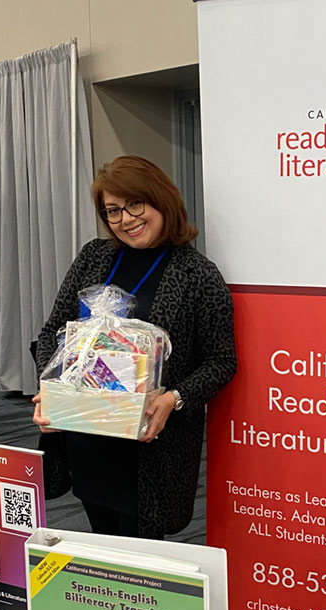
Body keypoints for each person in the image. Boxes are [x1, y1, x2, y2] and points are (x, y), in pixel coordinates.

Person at [32, 155, 237, 539]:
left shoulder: (198, 275)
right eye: (113, 210)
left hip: (150, 447)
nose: (126, 219)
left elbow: (221, 361)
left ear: (161, 200)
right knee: (103, 545)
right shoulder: (94, 257)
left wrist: (174, 398)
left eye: (135, 204)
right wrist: (48, 386)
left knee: (143, 559)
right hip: (85, 435)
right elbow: (51, 335)